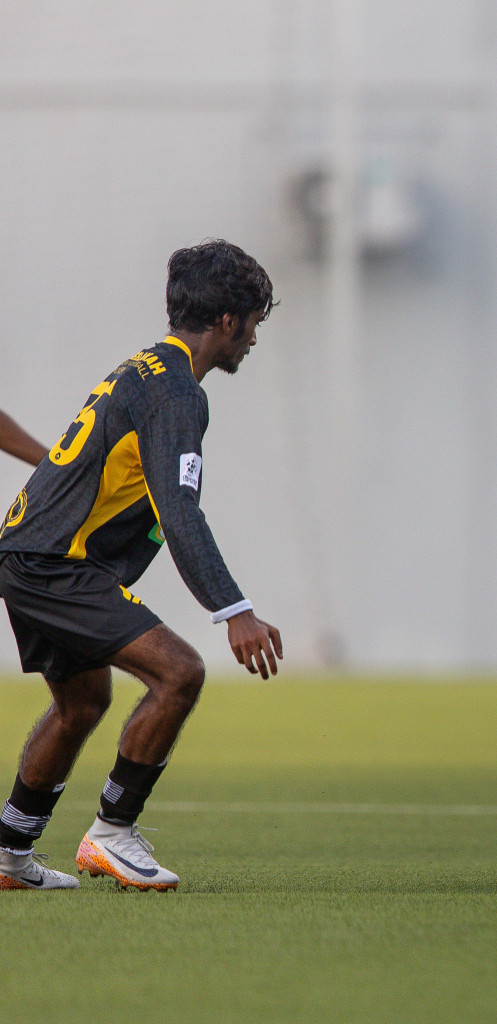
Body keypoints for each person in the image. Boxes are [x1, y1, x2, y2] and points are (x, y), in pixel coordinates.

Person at [0, 239, 283, 891]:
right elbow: (180, 512)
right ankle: (113, 832)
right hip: (56, 564)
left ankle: (10, 851)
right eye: (255, 326)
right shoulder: (178, 392)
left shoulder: (143, 368)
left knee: (82, 703)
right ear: (229, 322)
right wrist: (234, 610)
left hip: (30, 555)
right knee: (179, 673)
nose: (253, 343)